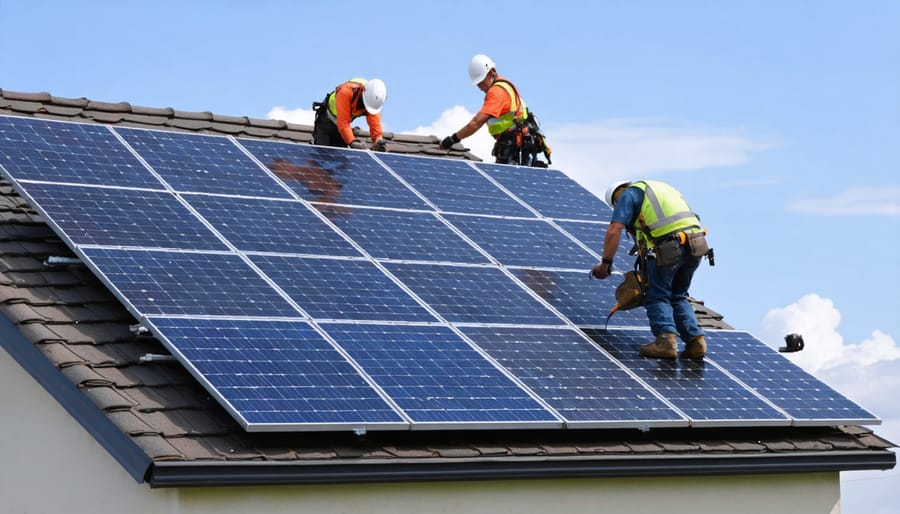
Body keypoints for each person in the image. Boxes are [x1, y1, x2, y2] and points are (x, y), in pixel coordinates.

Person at [591, 180, 710, 360]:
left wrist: (605, 263)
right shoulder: (661, 189)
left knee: (657, 295)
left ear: (616, 198)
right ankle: (696, 342)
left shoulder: (628, 195)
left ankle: (665, 342)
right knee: (678, 295)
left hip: (670, 246)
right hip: (697, 244)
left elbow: (615, 229)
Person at [439, 54, 550, 167]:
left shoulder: (496, 92)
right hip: (519, 146)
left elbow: (475, 123)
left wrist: (453, 139)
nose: (479, 86)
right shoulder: (505, 87)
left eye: (481, 81)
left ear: (491, 73)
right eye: (477, 83)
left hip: (513, 147)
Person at [313, 78, 387, 151]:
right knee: (321, 153)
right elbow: (343, 123)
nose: (366, 109)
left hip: (340, 130)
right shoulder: (346, 92)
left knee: (340, 157)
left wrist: (378, 140)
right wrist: (352, 142)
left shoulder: (374, 102)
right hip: (326, 123)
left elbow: (375, 124)